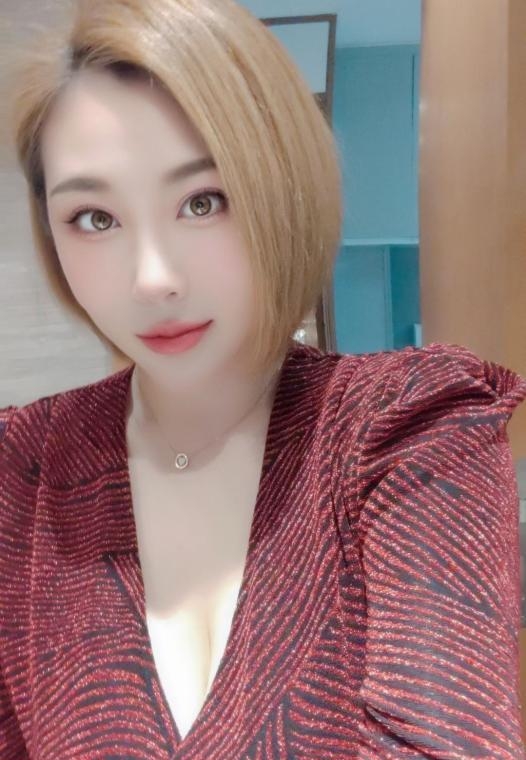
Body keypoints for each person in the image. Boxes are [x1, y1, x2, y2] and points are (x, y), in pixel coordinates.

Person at [1, 1, 526, 758]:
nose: (152, 278)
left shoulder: (412, 429)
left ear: (283, 190)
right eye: (94, 218)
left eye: (203, 202)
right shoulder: (20, 470)